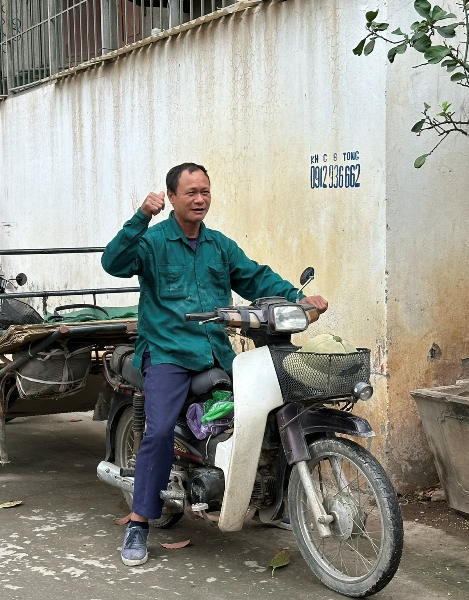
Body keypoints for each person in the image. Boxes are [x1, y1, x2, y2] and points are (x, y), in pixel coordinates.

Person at [101, 163, 329, 566]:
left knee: (263, 413)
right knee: (156, 434)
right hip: (168, 353)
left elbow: (255, 277)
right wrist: (140, 217)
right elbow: (113, 263)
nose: (199, 199)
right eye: (190, 192)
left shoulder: (219, 246)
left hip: (215, 353)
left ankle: (271, 497)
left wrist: (297, 297)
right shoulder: (152, 243)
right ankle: (139, 521)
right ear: (171, 198)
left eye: (205, 191)